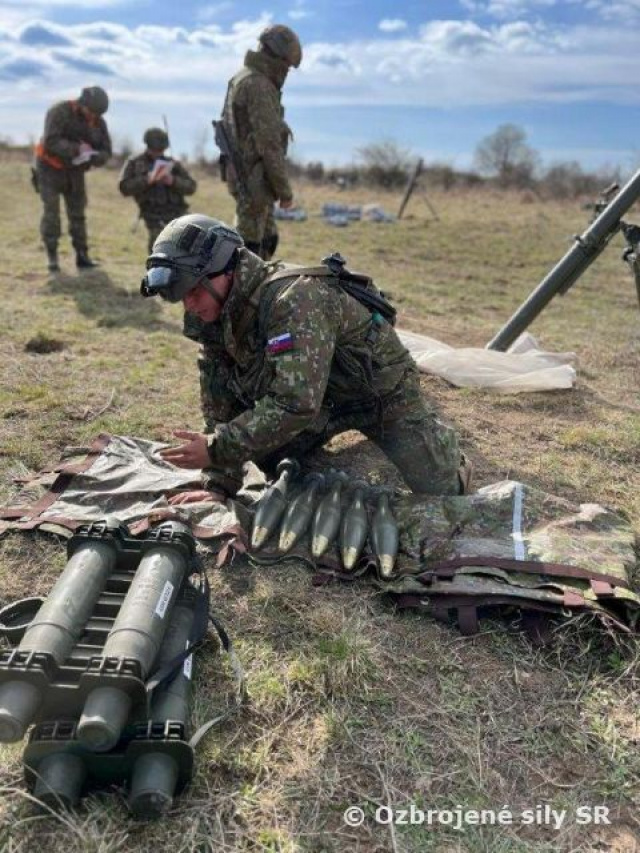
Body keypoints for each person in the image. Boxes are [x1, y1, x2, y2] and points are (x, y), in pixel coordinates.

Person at [140, 214, 471, 505]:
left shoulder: (295, 299)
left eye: (194, 291)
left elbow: (295, 403)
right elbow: (220, 403)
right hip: (318, 402)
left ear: (227, 270)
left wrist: (216, 447)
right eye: (181, 296)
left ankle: (440, 444)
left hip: (377, 394)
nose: (190, 305)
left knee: (441, 491)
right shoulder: (209, 315)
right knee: (275, 463)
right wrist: (219, 482)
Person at [218, 24, 301, 260]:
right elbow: (270, 146)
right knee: (250, 254)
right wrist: (285, 192)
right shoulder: (259, 85)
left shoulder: (241, 77)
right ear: (277, 56)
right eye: (286, 63)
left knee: (266, 242)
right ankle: (240, 297)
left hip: (246, 176)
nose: (286, 70)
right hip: (253, 180)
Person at [35, 86, 112, 273]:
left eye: (97, 114)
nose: (93, 117)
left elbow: (106, 151)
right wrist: (77, 149)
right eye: (91, 112)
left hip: (75, 171)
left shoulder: (99, 122)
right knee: (51, 212)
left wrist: (95, 157)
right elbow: (51, 141)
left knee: (78, 214)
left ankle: (82, 256)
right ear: (82, 104)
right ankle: (52, 257)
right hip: (49, 169)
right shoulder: (59, 112)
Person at [118, 127, 197, 253]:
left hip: (178, 212)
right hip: (152, 214)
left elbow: (192, 186)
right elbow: (124, 187)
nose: (158, 153)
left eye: (161, 150)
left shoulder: (172, 164)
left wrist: (173, 181)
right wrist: (147, 180)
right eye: (155, 150)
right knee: (159, 248)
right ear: (147, 146)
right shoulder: (135, 163)